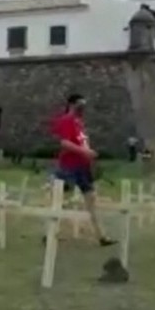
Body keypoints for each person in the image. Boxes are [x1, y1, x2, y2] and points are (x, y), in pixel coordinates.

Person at [50, 93, 118, 248]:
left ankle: (102, 236)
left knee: (92, 200)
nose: (83, 108)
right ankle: (50, 233)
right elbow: (65, 143)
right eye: (80, 104)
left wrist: (89, 155)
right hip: (69, 166)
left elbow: (82, 142)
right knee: (61, 200)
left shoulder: (78, 123)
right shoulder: (66, 120)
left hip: (83, 167)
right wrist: (84, 152)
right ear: (72, 104)